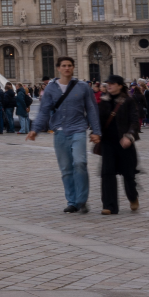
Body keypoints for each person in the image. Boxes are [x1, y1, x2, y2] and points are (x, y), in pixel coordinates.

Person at [27, 56, 102, 213]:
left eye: (69, 65)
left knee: (80, 163)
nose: (67, 68)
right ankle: (72, 201)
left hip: (78, 129)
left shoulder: (82, 87)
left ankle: (82, 200)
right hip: (60, 132)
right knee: (66, 169)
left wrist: (96, 131)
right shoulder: (50, 89)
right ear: (59, 68)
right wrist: (35, 129)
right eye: (64, 65)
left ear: (73, 68)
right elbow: (44, 111)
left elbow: (92, 110)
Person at [97, 75, 140, 215]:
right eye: (108, 83)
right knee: (107, 173)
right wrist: (95, 133)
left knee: (128, 174)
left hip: (124, 142)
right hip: (108, 142)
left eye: (112, 83)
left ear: (120, 85)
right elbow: (97, 120)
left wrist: (129, 136)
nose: (109, 86)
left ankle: (133, 196)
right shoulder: (103, 101)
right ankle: (109, 206)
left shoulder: (128, 101)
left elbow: (134, 120)